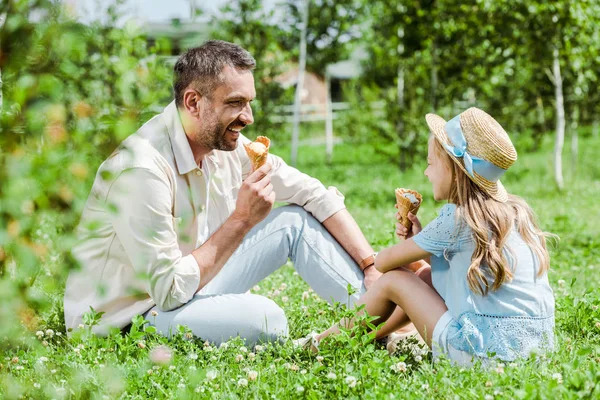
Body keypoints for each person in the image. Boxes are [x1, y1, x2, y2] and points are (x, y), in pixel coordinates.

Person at [63, 40, 387, 345]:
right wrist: (242, 220)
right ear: (193, 102)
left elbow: (311, 192)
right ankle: (318, 345)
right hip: (129, 320)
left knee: (294, 221)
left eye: (249, 103)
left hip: (187, 292)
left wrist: (371, 265)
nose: (249, 118)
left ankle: (379, 321)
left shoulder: (226, 147)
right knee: (266, 317)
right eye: (235, 103)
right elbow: (168, 290)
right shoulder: (142, 168)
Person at [300, 107, 555, 365]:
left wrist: (411, 247)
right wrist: (421, 241)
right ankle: (373, 336)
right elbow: (460, 268)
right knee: (425, 275)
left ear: (453, 169)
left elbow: (383, 263)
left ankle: (321, 344)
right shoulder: (512, 211)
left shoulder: (457, 217)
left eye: (430, 163)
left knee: (395, 281)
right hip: (531, 351)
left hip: (480, 356)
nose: (426, 172)